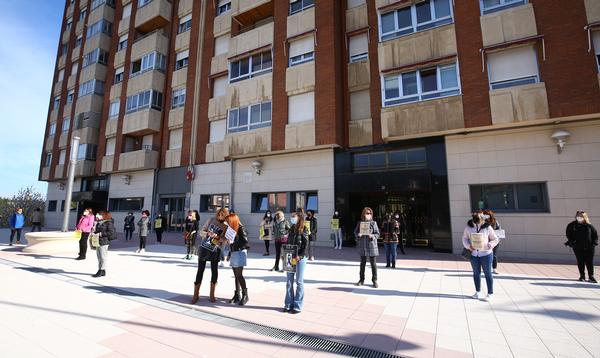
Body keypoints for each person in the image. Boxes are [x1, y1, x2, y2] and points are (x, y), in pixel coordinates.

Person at [191, 208, 229, 304]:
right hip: (204, 247)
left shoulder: (225, 226)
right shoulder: (211, 220)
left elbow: (225, 240)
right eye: (219, 214)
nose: (220, 216)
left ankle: (212, 294)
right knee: (200, 270)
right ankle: (196, 294)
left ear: (225, 216)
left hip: (215, 250)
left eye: (223, 215)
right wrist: (207, 233)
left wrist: (218, 237)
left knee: (214, 270)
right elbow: (201, 232)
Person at [463, 211, 499, 301]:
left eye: (479, 218)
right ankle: (478, 292)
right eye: (476, 218)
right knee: (476, 273)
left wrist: (489, 245)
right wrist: (468, 246)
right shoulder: (469, 227)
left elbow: (495, 239)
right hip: (474, 254)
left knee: (488, 273)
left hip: (486, 254)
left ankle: (490, 293)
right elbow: (464, 238)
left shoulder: (487, 227)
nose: (477, 220)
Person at [284, 210, 308, 314]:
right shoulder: (291, 229)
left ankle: (297, 305)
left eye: (294, 216)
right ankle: (288, 304)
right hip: (289, 257)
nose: (292, 218)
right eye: (291, 216)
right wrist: (283, 254)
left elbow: (306, 245)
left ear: (299, 217)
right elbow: (287, 243)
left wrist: (300, 255)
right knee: (289, 282)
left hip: (300, 258)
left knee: (299, 281)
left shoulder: (304, 229)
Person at [566, 211, 598, 283]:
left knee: (589, 262)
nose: (579, 217)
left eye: (581, 216)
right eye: (578, 215)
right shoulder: (572, 225)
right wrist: (572, 242)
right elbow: (568, 234)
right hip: (577, 247)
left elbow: (595, 235)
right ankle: (582, 276)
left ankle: (591, 276)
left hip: (589, 247)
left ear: (584, 217)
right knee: (580, 261)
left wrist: (594, 243)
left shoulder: (589, 225)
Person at [226, 213, 250, 305]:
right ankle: (237, 294)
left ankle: (245, 295)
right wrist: (229, 254)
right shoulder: (231, 229)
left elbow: (246, 243)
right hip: (234, 252)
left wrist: (234, 241)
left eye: (228, 221)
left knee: (239, 275)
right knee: (236, 275)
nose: (227, 223)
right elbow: (231, 243)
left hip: (240, 252)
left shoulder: (241, 228)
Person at [354, 207, 380, 288]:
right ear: (363, 214)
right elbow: (355, 232)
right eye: (367, 213)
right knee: (362, 264)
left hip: (372, 246)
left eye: (370, 213)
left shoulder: (373, 223)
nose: (368, 214)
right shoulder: (360, 223)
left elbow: (378, 234)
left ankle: (374, 280)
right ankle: (361, 279)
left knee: (373, 264)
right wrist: (358, 235)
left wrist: (372, 235)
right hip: (363, 246)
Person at [92, 211, 116, 278]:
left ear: (105, 215)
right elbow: (96, 231)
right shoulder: (99, 222)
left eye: (101, 215)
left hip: (104, 241)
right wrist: (94, 232)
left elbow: (111, 232)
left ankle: (101, 270)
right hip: (98, 241)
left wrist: (101, 234)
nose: (99, 215)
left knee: (103, 257)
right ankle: (102, 270)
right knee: (99, 257)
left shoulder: (109, 222)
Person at [483, 209, 502, 274]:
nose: (484, 216)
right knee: (484, 254)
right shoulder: (482, 222)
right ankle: (485, 267)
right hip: (485, 241)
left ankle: (494, 268)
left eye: (485, 215)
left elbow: (499, 231)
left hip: (494, 241)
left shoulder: (495, 221)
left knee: (494, 255)